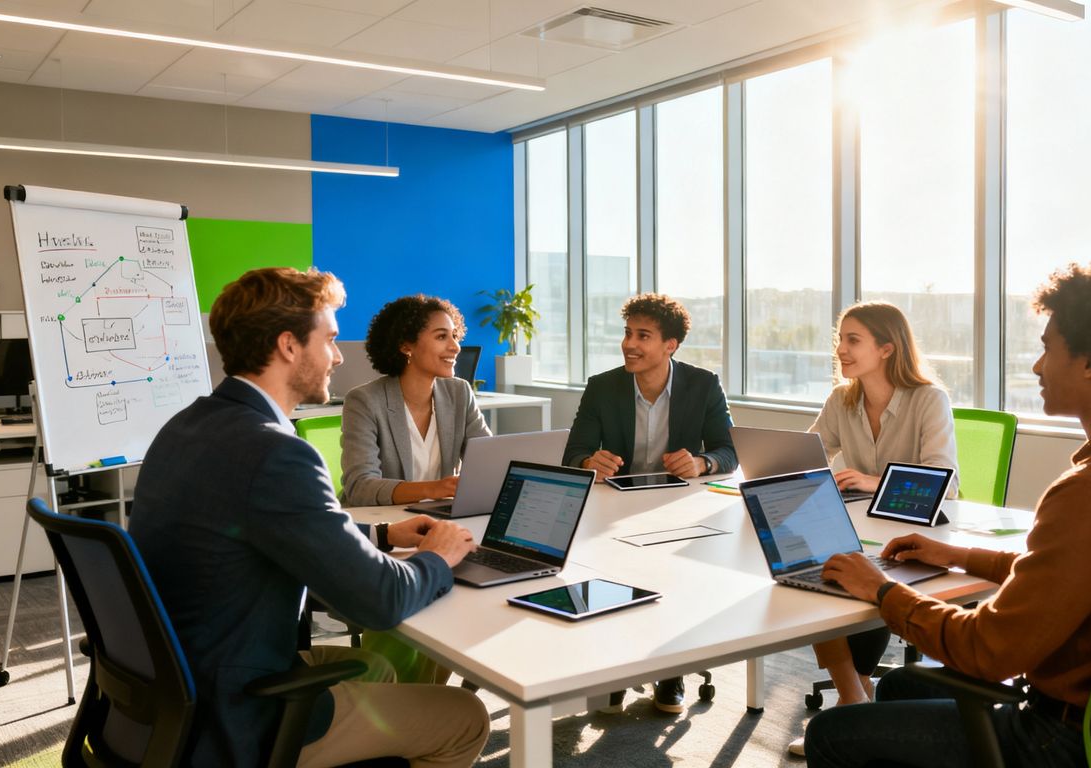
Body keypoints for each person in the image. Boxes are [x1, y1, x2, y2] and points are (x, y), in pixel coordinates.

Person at [804, 260, 1091, 768]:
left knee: (832, 732)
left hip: (1057, 737)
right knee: (899, 684)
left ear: (1090, 361)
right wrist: (960, 555)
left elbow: (988, 649)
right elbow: (1072, 576)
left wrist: (882, 590)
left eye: (1048, 348)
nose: (1037, 367)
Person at [130, 268, 489, 767]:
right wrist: (436, 558)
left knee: (373, 666)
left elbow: (267, 530)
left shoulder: (189, 425)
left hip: (178, 681)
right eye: (332, 339)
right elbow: (378, 602)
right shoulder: (274, 453)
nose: (339, 357)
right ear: (288, 346)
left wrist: (381, 533)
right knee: (465, 716)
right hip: (238, 707)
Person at [789, 301, 960, 756]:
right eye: (839, 339)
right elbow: (809, 458)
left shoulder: (929, 399)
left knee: (839, 573)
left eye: (853, 340)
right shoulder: (841, 401)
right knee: (812, 572)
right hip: (861, 527)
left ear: (887, 348)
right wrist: (781, 479)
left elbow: (947, 481)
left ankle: (851, 706)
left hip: (917, 536)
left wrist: (875, 480)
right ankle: (854, 697)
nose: (840, 350)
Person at [563, 292, 737, 712]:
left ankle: (668, 673)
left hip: (676, 505)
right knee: (613, 583)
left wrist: (701, 461)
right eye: (627, 333)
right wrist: (591, 461)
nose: (629, 344)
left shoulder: (703, 384)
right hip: (616, 506)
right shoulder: (602, 387)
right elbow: (572, 454)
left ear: (670, 345)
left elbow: (728, 451)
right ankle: (617, 669)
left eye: (643, 336)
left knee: (668, 583)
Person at [340, 295, 490, 507]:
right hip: (383, 524)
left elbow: (489, 459)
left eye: (455, 336)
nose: (455, 347)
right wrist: (434, 488)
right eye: (441, 337)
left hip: (440, 516)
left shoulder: (459, 392)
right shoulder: (365, 401)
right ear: (405, 346)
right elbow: (360, 487)